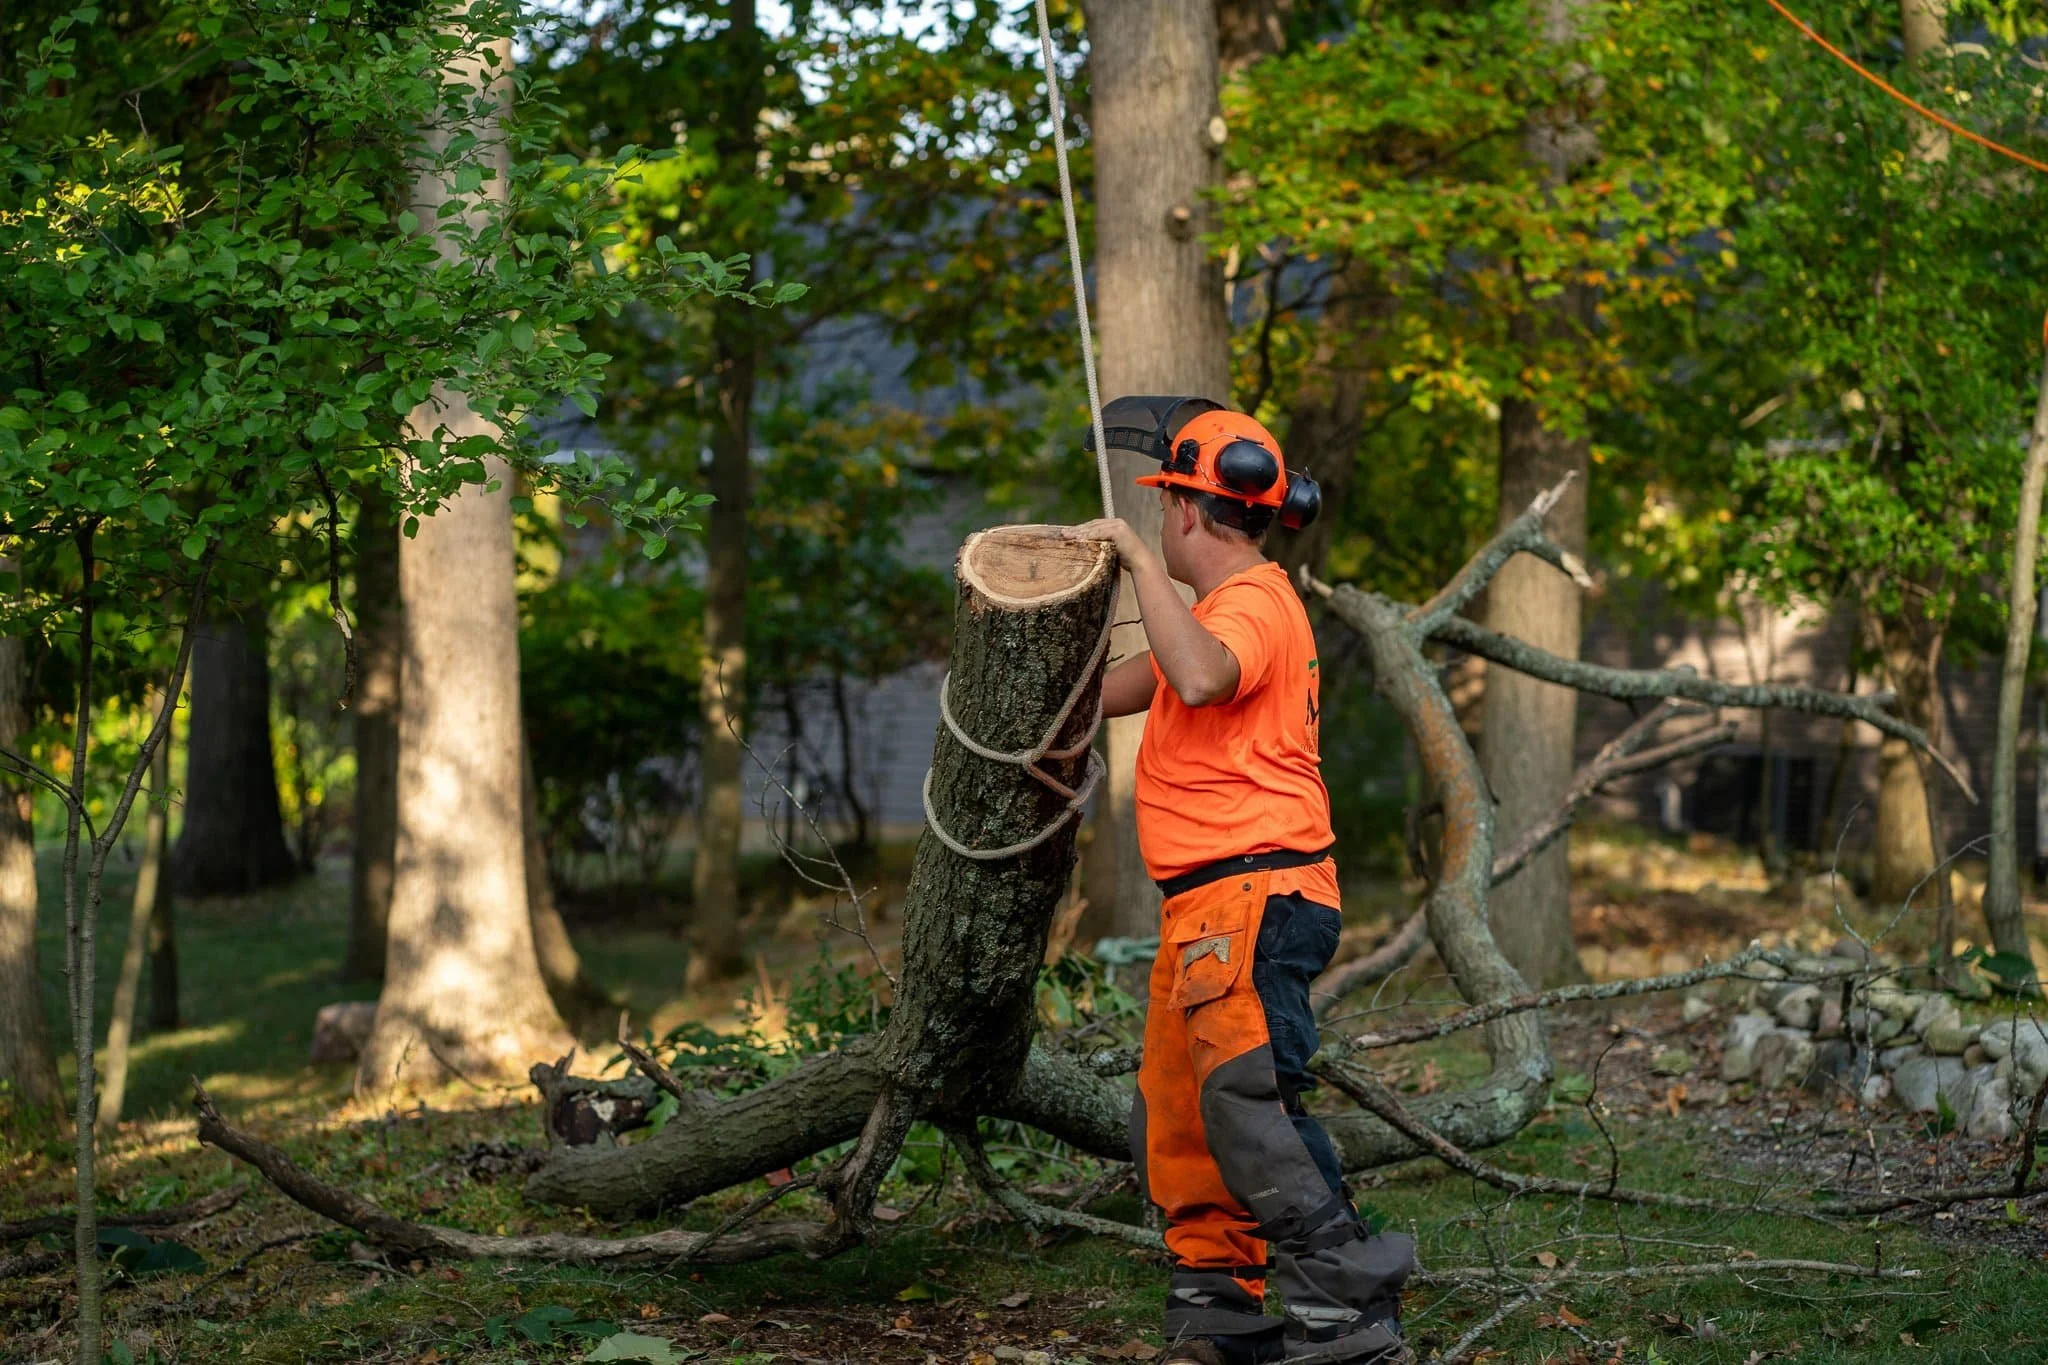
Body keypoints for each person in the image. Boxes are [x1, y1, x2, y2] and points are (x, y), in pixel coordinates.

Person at [1064, 397, 1414, 1365]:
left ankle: (1348, 1301)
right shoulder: (1213, 615)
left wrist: (1132, 567)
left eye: (1161, 515)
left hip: (1254, 894)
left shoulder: (1255, 602)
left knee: (1247, 1103)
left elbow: (1203, 674)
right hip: (1202, 907)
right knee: (1177, 1115)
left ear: (1183, 512)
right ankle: (1218, 1300)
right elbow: (1131, 681)